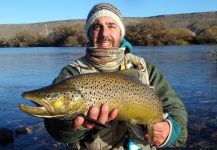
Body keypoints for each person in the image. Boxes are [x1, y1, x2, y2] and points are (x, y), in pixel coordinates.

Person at [44, 3, 187, 150]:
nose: (104, 33)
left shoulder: (145, 69)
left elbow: (175, 109)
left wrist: (170, 130)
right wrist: (72, 125)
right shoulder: (72, 72)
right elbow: (56, 131)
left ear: (121, 33)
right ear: (89, 33)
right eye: (96, 26)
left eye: (111, 26)